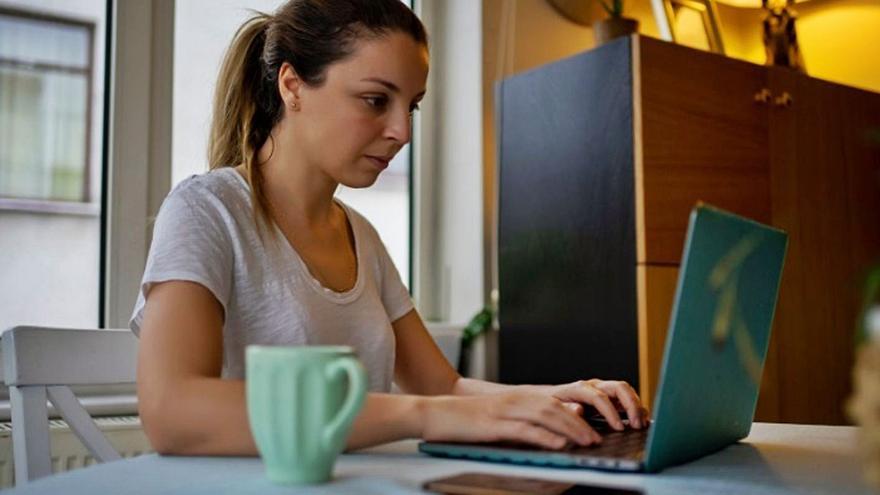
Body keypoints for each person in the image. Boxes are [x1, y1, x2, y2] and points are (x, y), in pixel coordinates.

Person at [132, 0, 648, 456]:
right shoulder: (207, 211)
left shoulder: (362, 236)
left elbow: (442, 386)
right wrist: (418, 415)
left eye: (412, 106)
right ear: (292, 85)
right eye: (376, 100)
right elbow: (172, 410)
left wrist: (558, 395)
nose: (402, 132)